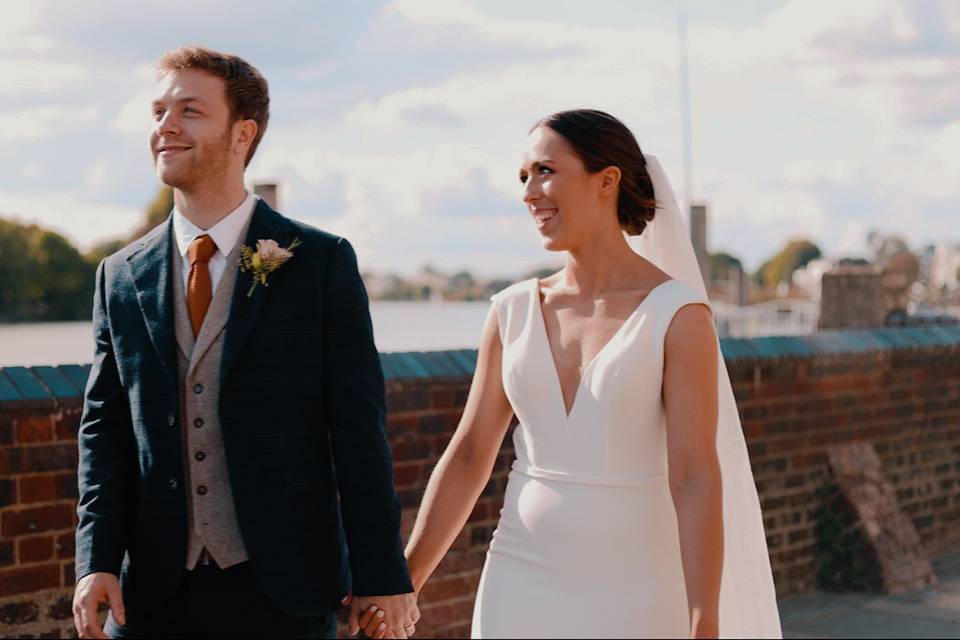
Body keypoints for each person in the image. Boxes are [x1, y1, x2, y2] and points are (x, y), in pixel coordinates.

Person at [362, 109, 782, 638]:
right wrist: (406, 582)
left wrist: (705, 619)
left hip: (639, 586)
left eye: (545, 171)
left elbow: (695, 476)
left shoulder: (678, 315)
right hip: (519, 577)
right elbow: (470, 453)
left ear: (607, 180)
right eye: (523, 177)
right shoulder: (511, 310)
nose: (529, 192)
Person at [71, 45, 418, 639]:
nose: (165, 126)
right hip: (152, 591)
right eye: (157, 111)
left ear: (243, 133)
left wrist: (381, 571)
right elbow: (105, 431)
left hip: (286, 588)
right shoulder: (120, 274)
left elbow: (358, 432)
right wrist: (95, 560)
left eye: (189, 111)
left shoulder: (320, 262)